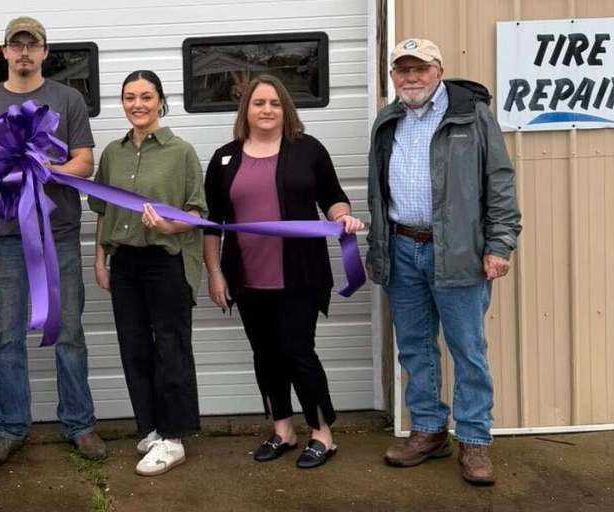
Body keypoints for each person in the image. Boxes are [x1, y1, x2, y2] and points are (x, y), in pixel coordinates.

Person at [367, 38, 521, 486]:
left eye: (420, 69)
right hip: (401, 247)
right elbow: (379, 189)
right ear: (393, 76)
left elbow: (500, 183)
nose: (411, 78)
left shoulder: (472, 116)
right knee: (415, 346)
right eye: (402, 70)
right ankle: (430, 430)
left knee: (467, 349)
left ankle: (474, 440)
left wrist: (500, 243)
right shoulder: (388, 119)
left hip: (457, 251)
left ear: (438, 70)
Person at [203, 75, 363, 470]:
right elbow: (213, 223)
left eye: (275, 103)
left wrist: (343, 218)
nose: (267, 110)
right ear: (246, 110)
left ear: (285, 108)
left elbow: (333, 197)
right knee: (266, 355)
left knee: (297, 351)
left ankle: (322, 432)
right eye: (259, 103)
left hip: (300, 275)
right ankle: (282, 429)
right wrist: (215, 273)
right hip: (246, 275)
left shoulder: (307, 150)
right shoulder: (225, 158)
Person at [0, 16, 105, 467]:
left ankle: (79, 425)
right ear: (3, 52)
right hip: (4, 238)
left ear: (45, 52)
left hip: (58, 234)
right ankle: (9, 428)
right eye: (16, 44)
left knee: (69, 333)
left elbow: (84, 162)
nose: (24, 52)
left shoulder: (68, 99)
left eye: (33, 44)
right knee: (7, 336)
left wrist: (46, 169)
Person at [89, 70, 206, 476]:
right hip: (125, 263)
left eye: (145, 96)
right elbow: (102, 211)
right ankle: (152, 429)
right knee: (134, 347)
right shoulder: (112, 153)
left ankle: (174, 438)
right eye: (129, 97)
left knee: (170, 347)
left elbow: (196, 213)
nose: (137, 104)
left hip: (166, 260)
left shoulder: (181, 151)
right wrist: (100, 260)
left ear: (160, 101)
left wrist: (169, 227)